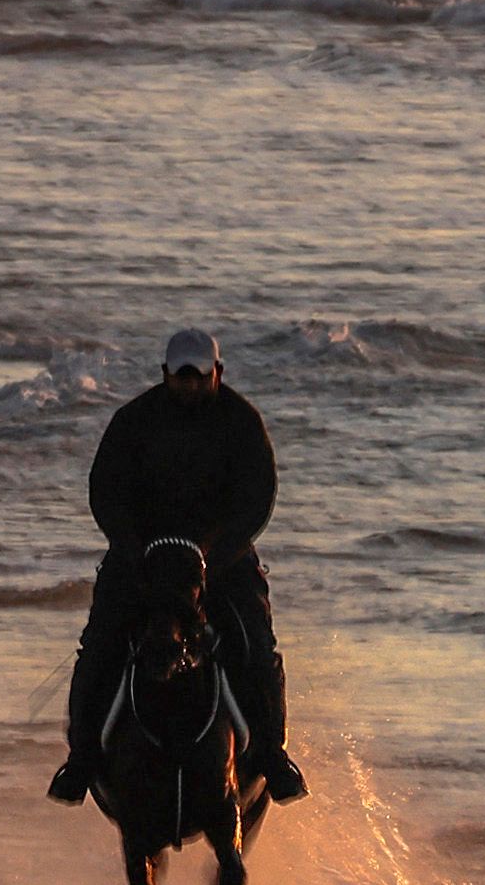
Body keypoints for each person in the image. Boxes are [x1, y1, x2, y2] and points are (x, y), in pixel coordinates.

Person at [49, 327, 307, 807]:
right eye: (180, 377)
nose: (189, 386)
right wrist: (135, 550)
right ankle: (81, 760)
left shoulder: (242, 422)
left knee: (257, 647)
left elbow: (258, 498)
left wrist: (213, 556)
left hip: (222, 561)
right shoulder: (133, 421)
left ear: (217, 374)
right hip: (143, 559)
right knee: (99, 646)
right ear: (165, 374)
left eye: (199, 377)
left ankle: (273, 756)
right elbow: (105, 491)